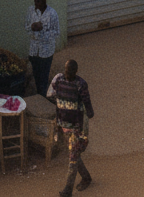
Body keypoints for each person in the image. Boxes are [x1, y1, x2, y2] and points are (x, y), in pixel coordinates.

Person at [48, 59, 94, 196]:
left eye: (69, 70)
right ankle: (86, 177)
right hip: (66, 125)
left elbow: (50, 94)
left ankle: (67, 190)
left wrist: (62, 103)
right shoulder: (80, 84)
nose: (68, 72)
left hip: (74, 127)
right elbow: (88, 106)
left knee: (73, 157)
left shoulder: (58, 80)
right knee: (74, 153)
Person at [25, 0, 60, 96]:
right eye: (35, 1)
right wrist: (32, 27)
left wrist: (42, 30)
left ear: (44, 0)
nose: (36, 4)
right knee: (36, 74)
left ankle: (43, 96)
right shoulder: (31, 11)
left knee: (44, 76)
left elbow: (56, 32)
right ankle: (39, 93)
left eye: (38, 1)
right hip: (34, 51)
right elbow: (26, 27)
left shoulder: (52, 13)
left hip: (46, 52)